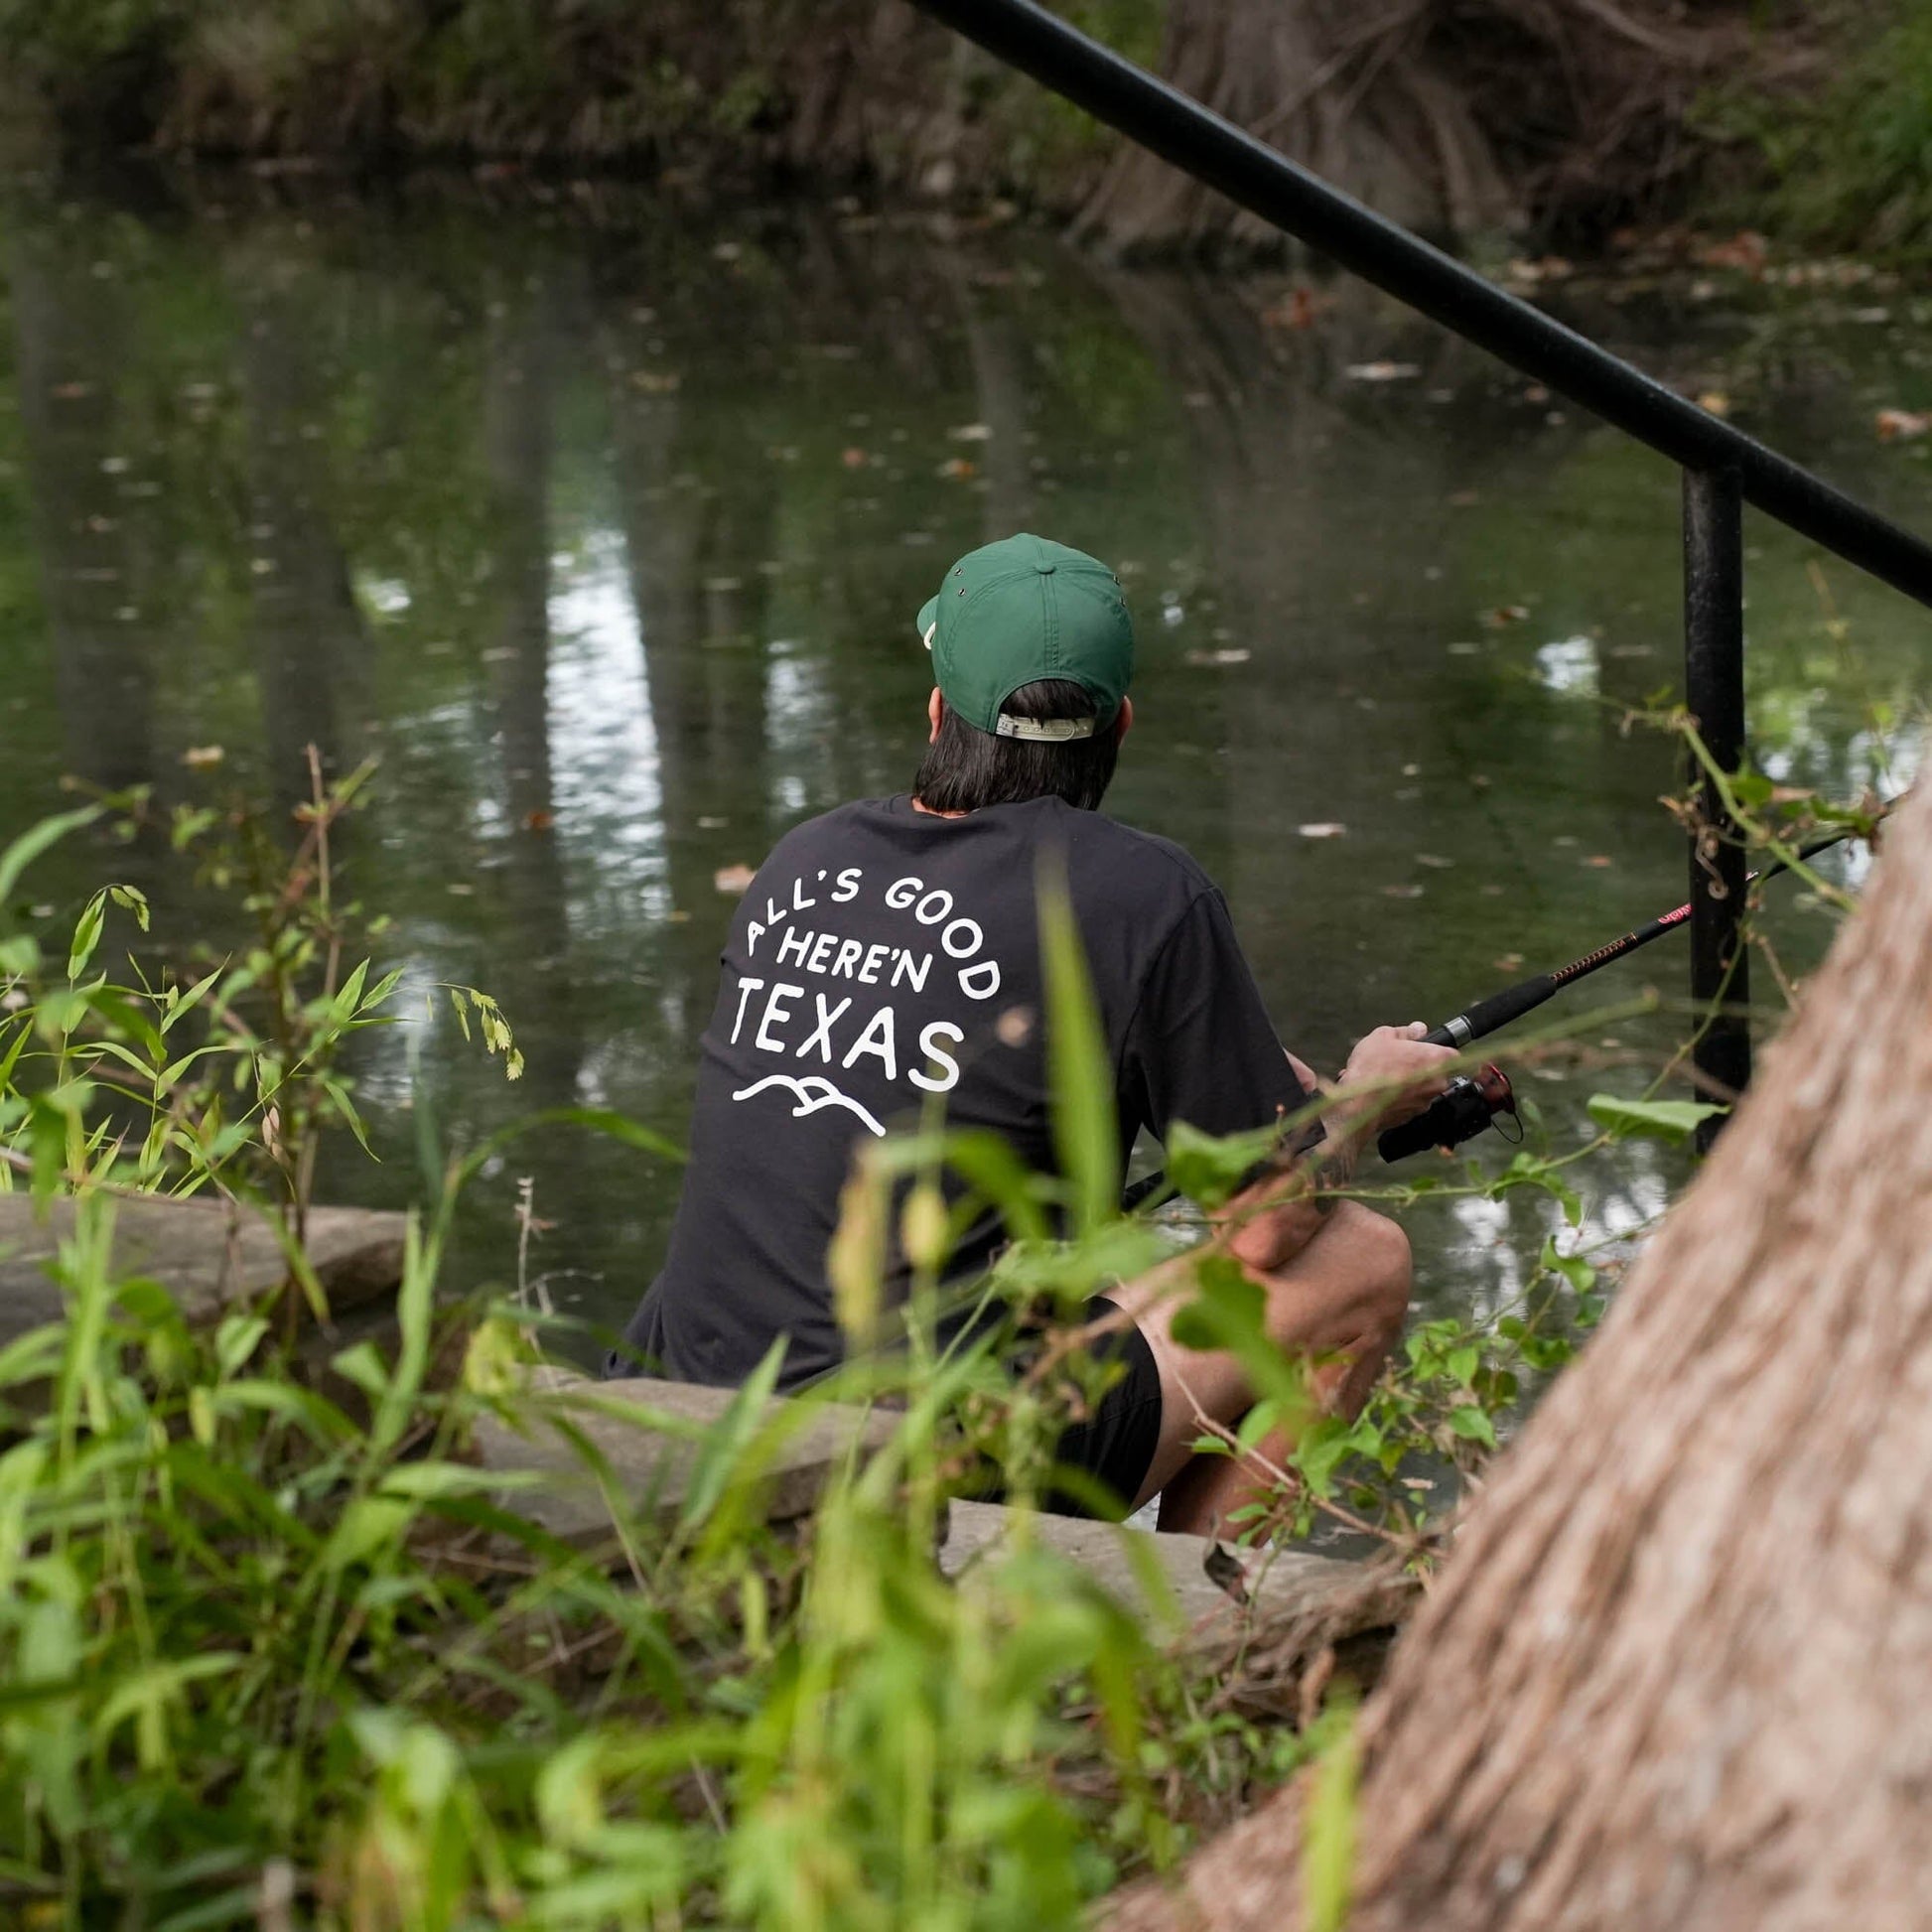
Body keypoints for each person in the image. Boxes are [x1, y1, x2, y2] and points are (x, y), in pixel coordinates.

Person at [612, 532, 1453, 1534]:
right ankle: (1197, 1639)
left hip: (677, 1397)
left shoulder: (803, 857)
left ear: (937, 712)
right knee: (1356, 1257)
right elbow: (1268, 1227)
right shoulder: (1144, 894)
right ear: (1120, 725)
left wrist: (1263, 1081)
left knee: (1078, 1271)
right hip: (905, 1451)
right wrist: (1359, 1100)